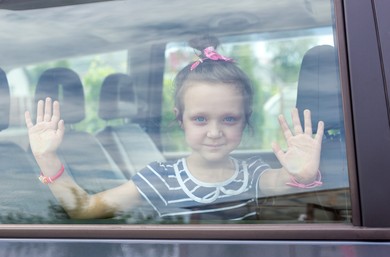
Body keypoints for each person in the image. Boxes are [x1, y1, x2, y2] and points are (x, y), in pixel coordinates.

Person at [25, 36, 324, 221]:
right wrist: (47, 159)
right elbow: (85, 208)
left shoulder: (254, 173)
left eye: (229, 119)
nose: (214, 131)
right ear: (180, 118)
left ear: (246, 120)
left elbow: (285, 183)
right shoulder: (159, 178)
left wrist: (302, 175)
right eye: (200, 119)